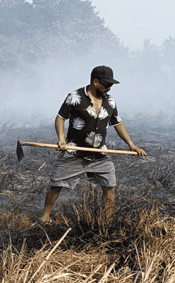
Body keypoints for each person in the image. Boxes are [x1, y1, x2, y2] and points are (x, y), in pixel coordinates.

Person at [40, 65, 147, 223]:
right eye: (106, 84)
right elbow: (60, 117)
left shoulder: (110, 101)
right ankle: (45, 217)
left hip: (99, 154)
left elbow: (118, 123)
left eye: (111, 85)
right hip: (74, 151)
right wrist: (61, 139)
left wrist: (132, 145)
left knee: (110, 186)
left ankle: (106, 222)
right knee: (56, 184)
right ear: (96, 81)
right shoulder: (75, 97)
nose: (109, 88)